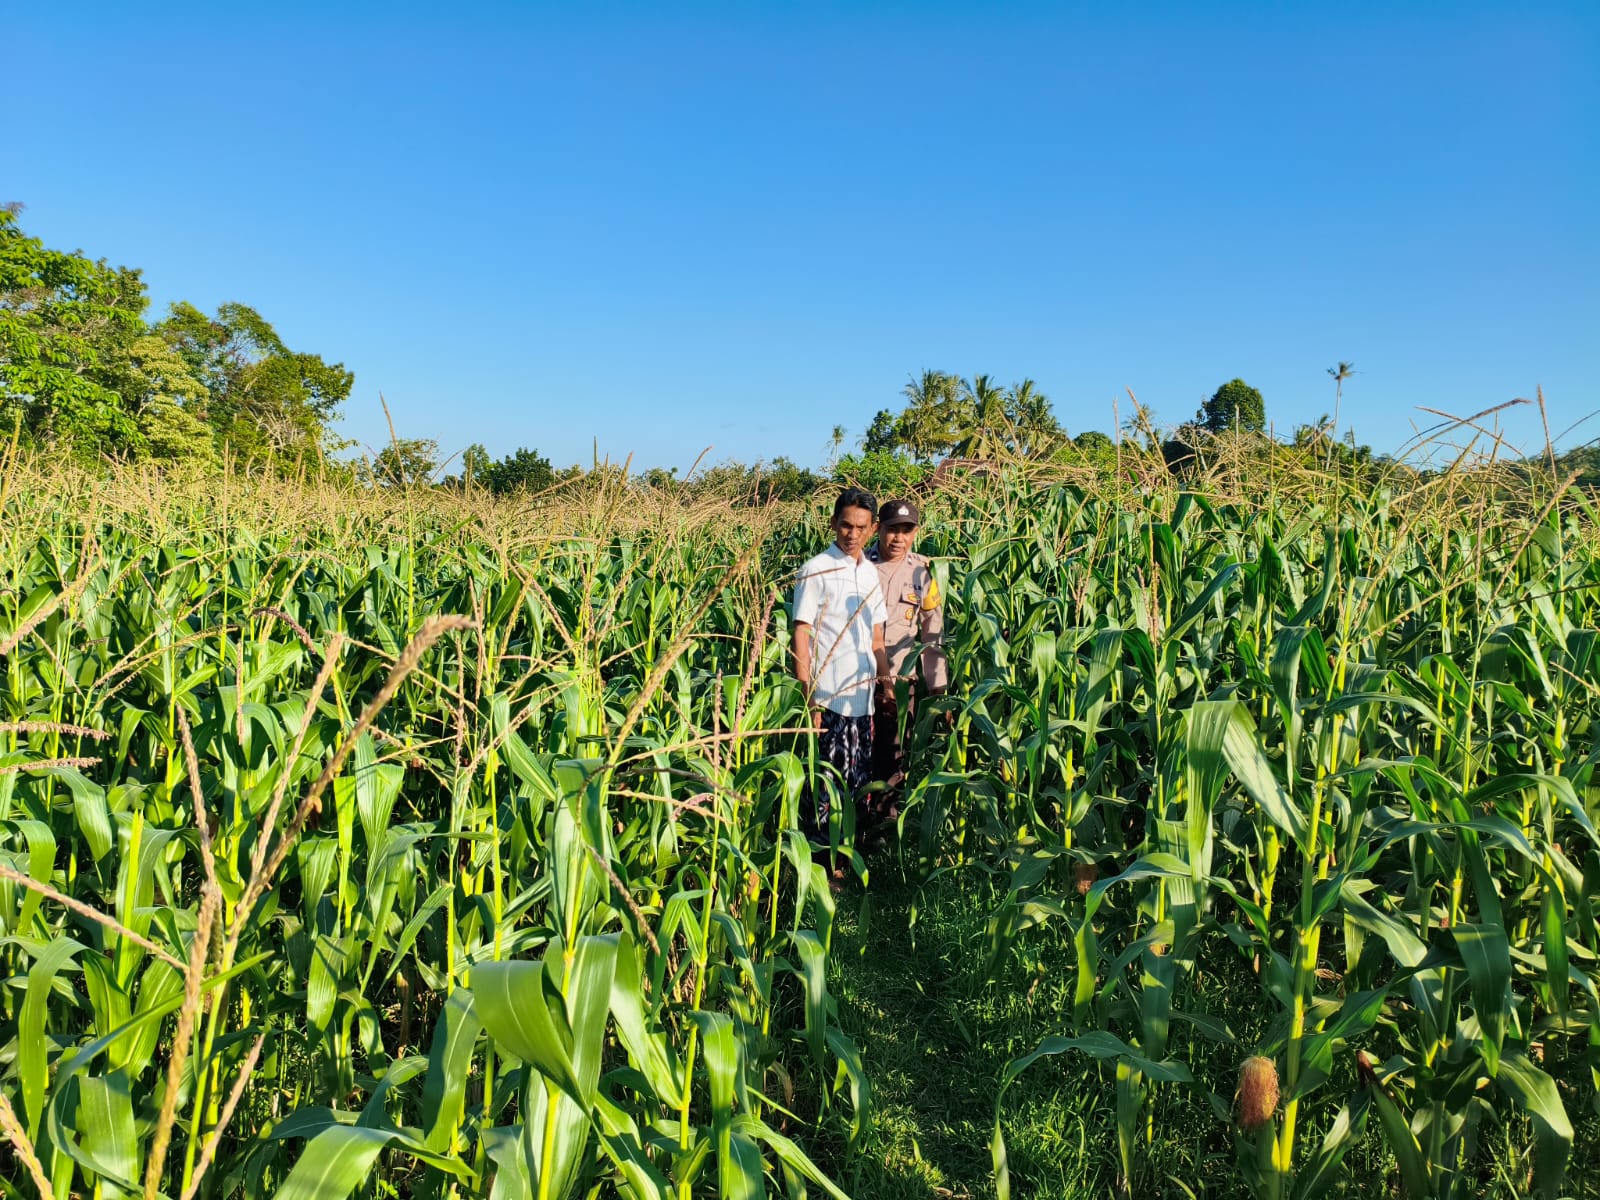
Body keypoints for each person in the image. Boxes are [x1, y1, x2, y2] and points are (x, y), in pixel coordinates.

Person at [792, 487, 892, 848]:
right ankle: (822, 855)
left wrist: (886, 682)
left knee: (857, 774)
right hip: (828, 695)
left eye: (861, 527)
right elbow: (801, 633)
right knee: (826, 779)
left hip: (861, 697)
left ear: (873, 528)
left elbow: (876, 636)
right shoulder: (815, 570)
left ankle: (850, 844)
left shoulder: (869, 574)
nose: (852, 534)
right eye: (846, 525)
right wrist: (808, 695)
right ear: (834, 523)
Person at [867, 498, 947, 791]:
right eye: (891, 529)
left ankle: (886, 827)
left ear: (915, 532)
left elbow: (931, 633)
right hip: (860, 680)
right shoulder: (861, 568)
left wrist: (938, 687)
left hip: (902, 683)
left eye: (906, 530)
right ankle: (855, 824)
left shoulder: (923, 573)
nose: (898, 538)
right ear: (878, 529)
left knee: (895, 758)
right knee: (859, 756)